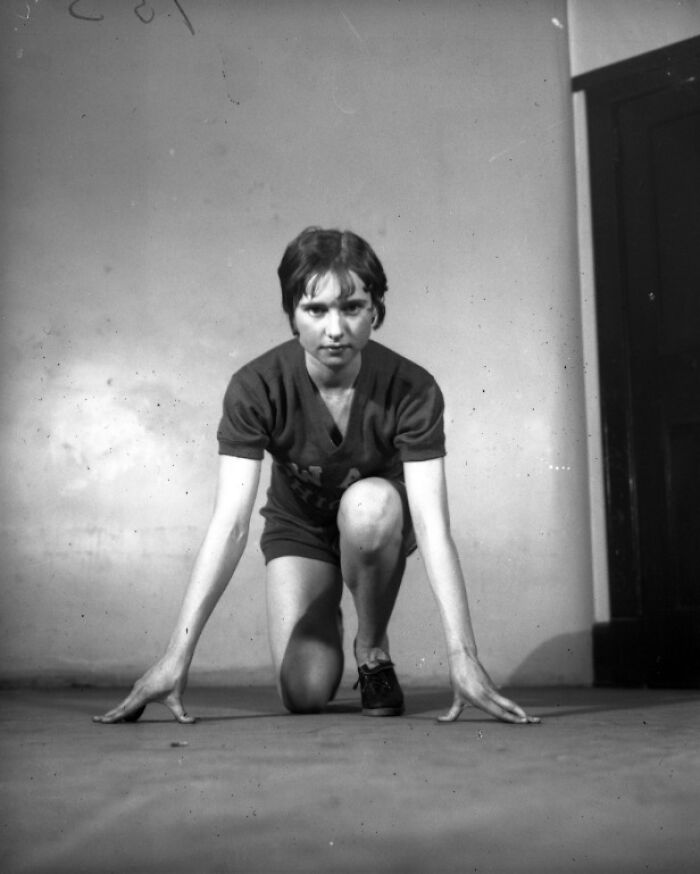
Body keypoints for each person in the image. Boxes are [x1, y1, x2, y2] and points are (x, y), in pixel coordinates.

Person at [94, 227, 539, 726]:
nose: (335, 329)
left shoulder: (413, 387)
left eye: (352, 308)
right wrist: (176, 658)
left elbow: (433, 525)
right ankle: (325, 607)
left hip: (375, 522)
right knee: (303, 693)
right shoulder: (256, 386)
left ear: (375, 311)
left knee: (368, 507)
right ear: (292, 314)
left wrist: (463, 656)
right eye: (316, 310)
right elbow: (231, 524)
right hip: (301, 528)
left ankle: (371, 647)